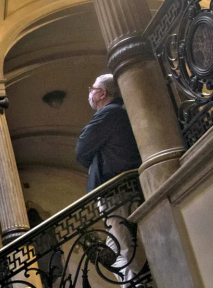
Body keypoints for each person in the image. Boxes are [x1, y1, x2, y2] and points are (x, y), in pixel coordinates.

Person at [76, 74, 146, 284]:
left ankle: (141, 283)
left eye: (92, 88)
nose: (90, 92)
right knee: (116, 246)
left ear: (102, 93)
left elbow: (81, 150)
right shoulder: (117, 112)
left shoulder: (110, 113)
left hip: (118, 192)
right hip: (116, 191)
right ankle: (133, 281)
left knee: (126, 247)